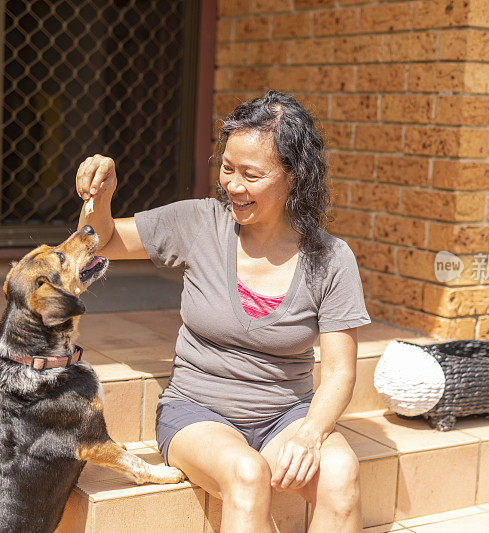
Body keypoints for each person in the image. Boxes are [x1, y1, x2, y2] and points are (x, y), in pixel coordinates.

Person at [75, 90, 370, 532]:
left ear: (295, 177)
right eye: (227, 168)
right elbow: (102, 245)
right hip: (198, 413)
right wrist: (101, 198)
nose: (232, 184)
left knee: (341, 474)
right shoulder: (200, 223)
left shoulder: (331, 258)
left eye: (251, 174)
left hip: (285, 416)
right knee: (247, 473)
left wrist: (310, 435)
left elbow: (341, 373)